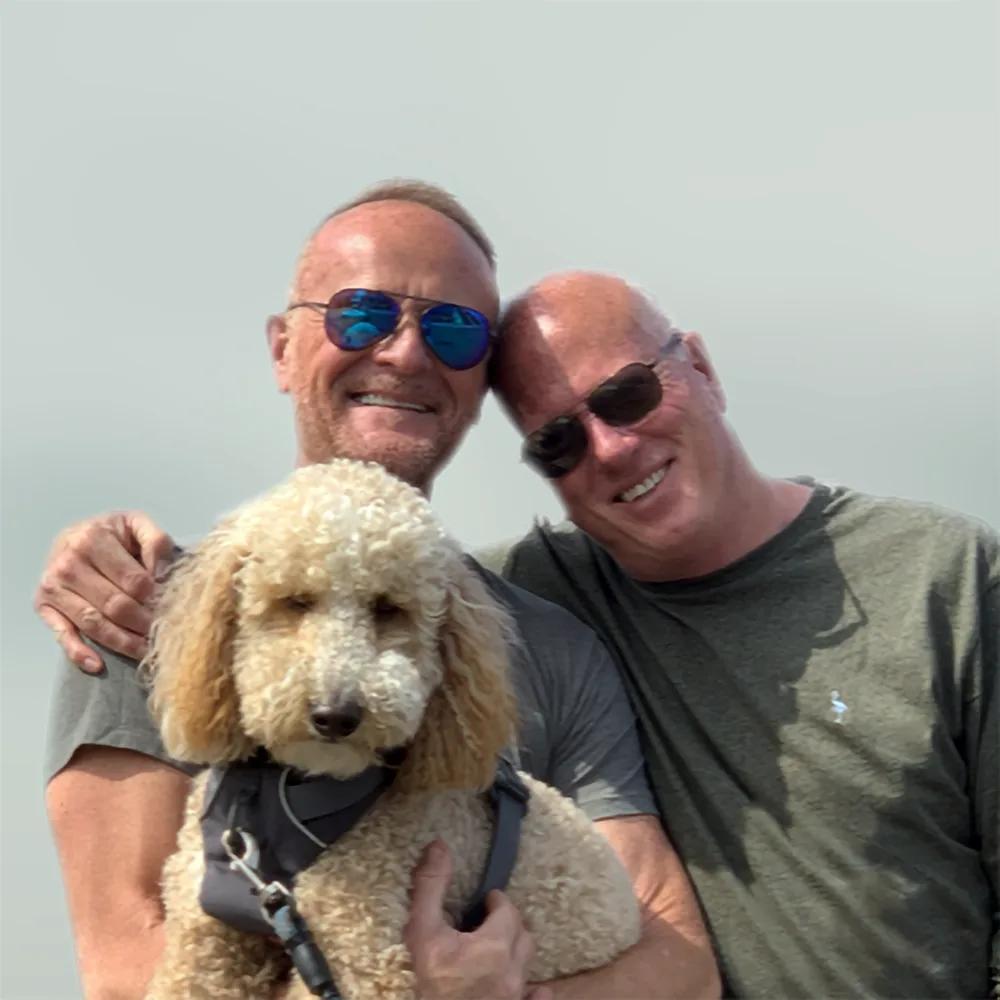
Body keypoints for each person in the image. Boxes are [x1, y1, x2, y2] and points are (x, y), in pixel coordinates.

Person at [40, 262, 999, 998]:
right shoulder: (525, 594)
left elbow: (676, 955)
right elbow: (122, 964)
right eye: (557, 442)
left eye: (626, 395)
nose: (609, 447)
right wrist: (101, 547)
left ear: (701, 366)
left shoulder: (944, 574)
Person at [36, 184, 720, 1000]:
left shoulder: (556, 648)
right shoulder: (132, 602)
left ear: (479, 385)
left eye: (454, 331)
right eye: (360, 315)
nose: (404, 354)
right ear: (282, 348)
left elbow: (680, 964)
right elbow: (124, 974)